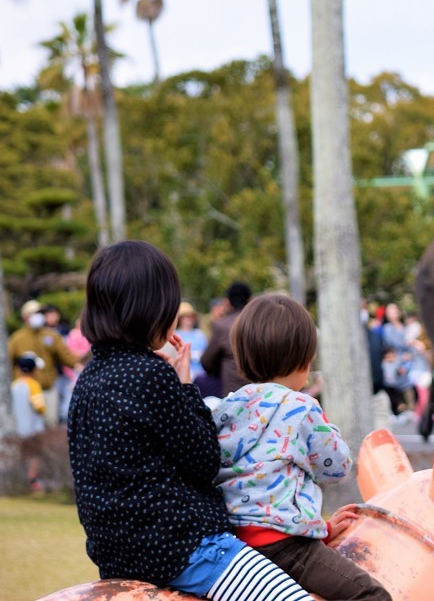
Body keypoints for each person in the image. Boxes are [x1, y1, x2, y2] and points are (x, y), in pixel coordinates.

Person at [68, 241, 312, 600]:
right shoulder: (150, 375)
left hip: (115, 556)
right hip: (185, 551)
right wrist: (185, 385)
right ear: (151, 309)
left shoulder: (87, 381)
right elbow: (204, 459)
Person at [212, 294, 391, 600]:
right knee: (370, 594)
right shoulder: (301, 407)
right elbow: (337, 467)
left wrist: (319, 527)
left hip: (236, 547)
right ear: (304, 360)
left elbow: (257, 479)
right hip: (284, 546)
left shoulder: (226, 407)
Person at [8, 299, 79, 425]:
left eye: (41, 313)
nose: (38, 316)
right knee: (27, 425)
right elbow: (8, 363)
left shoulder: (51, 336)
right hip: (27, 391)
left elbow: (66, 356)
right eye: (34, 313)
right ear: (25, 316)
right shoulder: (16, 339)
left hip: (49, 388)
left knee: (51, 423)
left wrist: (79, 365)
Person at [201, 282, 252, 397]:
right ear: (250, 300)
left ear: (228, 302)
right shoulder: (261, 323)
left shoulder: (222, 325)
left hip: (233, 393)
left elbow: (207, 362)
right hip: (261, 392)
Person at [11, 351, 47, 492]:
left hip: (17, 428)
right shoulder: (33, 385)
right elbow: (40, 407)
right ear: (34, 369)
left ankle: (19, 479)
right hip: (33, 427)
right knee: (34, 455)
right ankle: (33, 480)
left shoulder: (14, 385)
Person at [176, 302, 211, 396]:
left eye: (190, 317)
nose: (188, 320)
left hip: (201, 374)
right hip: (183, 374)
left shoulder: (199, 334)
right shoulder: (175, 335)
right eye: (185, 317)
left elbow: (207, 353)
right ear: (180, 319)